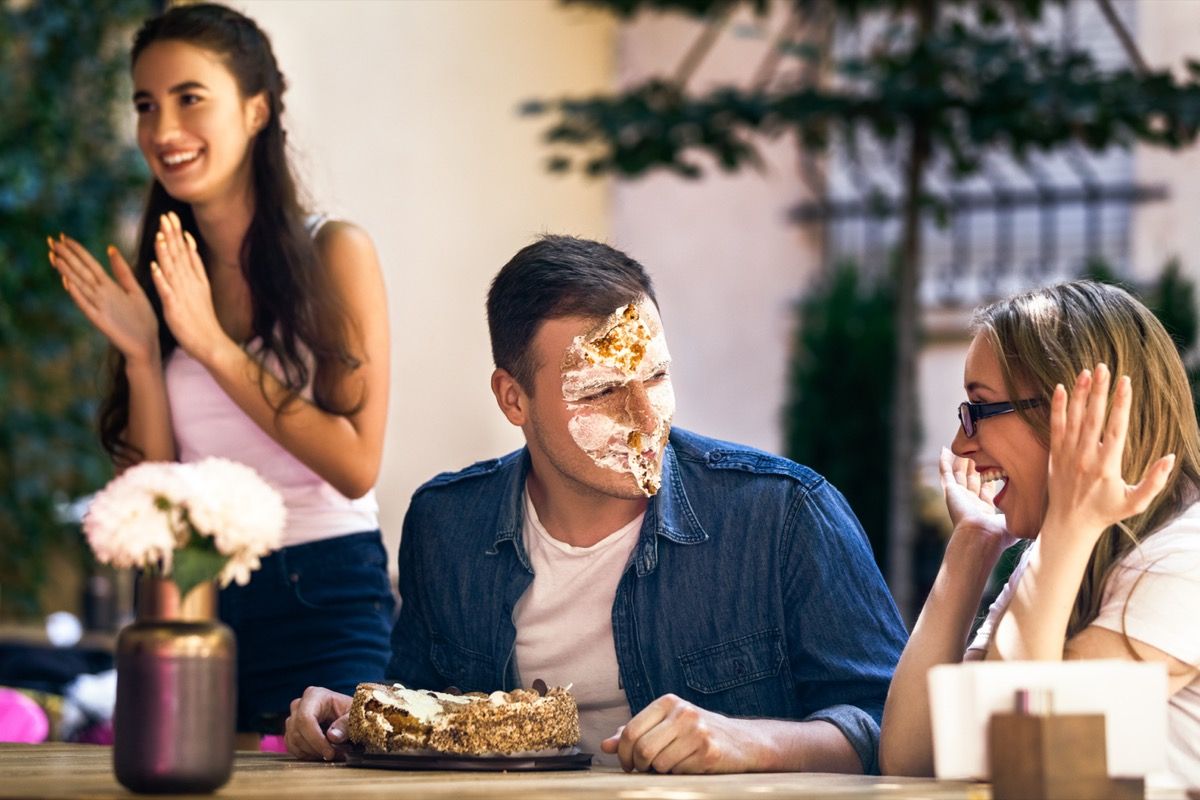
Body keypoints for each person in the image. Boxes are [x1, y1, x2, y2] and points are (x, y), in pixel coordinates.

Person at [284, 235, 908, 773]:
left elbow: (895, 729)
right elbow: (423, 715)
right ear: (513, 401)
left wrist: (753, 741)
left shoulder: (787, 515)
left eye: (657, 378)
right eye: (604, 389)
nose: (645, 419)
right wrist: (356, 719)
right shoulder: (446, 525)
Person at [46, 3, 395, 738]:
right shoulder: (166, 271)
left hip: (322, 594)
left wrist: (213, 347)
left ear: (257, 108)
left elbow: (355, 464)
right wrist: (145, 354)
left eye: (189, 98)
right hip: (189, 599)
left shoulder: (336, 253)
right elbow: (157, 483)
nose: (163, 130)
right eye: (146, 105)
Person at [879, 280, 1200, 784]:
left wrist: (1067, 533)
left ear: (1072, 411)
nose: (960, 446)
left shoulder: (1184, 562)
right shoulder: (1057, 554)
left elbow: (1018, 755)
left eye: (979, 410)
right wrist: (974, 543)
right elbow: (913, 754)